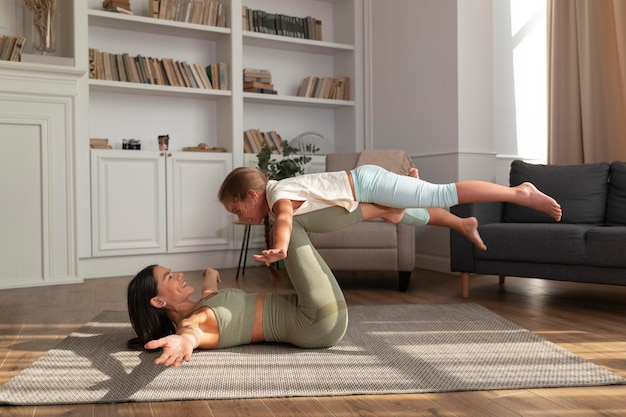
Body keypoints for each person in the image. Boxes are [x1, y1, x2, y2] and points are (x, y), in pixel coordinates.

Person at [127, 204, 403, 367]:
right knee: (291, 220)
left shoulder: (204, 303)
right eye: (169, 278)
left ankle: (392, 207)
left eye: (173, 271)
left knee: (289, 218)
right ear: (158, 302)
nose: (178, 275)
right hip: (316, 321)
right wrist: (181, 341)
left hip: (315, 316)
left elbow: (210, 288)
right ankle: (384, 210)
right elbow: (190, 334)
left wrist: (209, 272)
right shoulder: (198, 320)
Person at [218, 164, 562, 264]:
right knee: (403, 215)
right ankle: (462, 223)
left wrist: (280, 247)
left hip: (367, 184)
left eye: (238, 209)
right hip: (366, 191)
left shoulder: (278, 194)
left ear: (251, 195)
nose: (239, 217)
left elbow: (284, 221)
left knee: (439, 194)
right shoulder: (281, 191)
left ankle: (519, 192)